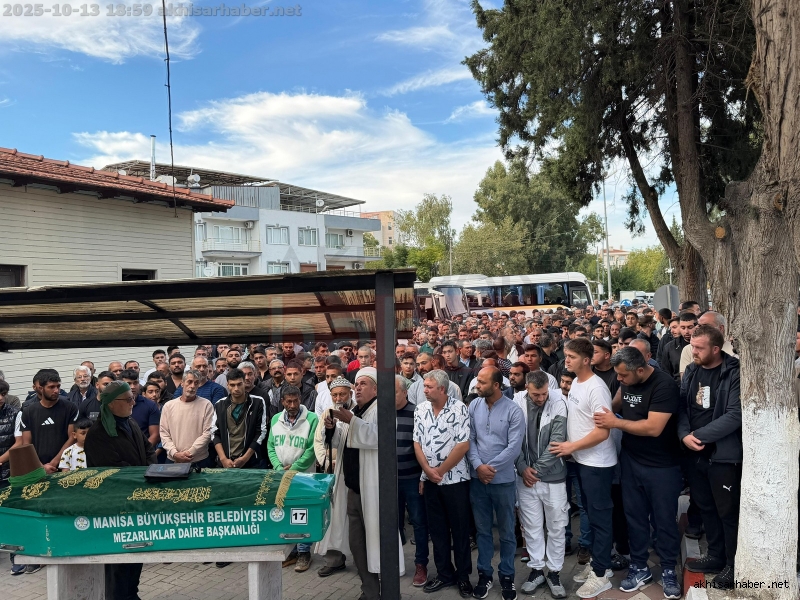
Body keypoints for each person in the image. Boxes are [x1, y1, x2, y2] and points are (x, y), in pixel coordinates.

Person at [594, 347, 683, 599]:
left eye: (623, 375)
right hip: (631, 461)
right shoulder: (626, 381)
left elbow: (654, 427)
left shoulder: (664, 385)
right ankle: (639, 566)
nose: (619, 379)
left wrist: (615, 422)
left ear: (641, 370)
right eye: (617, 374)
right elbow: (615, 403)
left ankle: (668, 569)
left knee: (664, 520)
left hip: (662, 466)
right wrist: (605, 411)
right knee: (634, 518)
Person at [328, 367, 405, 600]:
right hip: (353, 489)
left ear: (376, 389)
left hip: (374, 490)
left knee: (379, 541)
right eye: (356, 384)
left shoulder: (383, 410)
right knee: (357, 543)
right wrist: (331, 429)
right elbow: (340, 442)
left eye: (363, 384)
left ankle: (389, 590)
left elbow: (379, 438)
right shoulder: (354, 411)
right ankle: (369, 591)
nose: (357, 388)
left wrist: (352, 421)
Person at [550, 338, 617, 599]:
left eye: (572, 356)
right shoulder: (577, 382)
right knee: (590, 513)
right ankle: (600, 564)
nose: (566, 360)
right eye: (566, 355)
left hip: (597, 463)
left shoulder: (596, 388)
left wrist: (571, 446)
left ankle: (601, 575)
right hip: (582, 460)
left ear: (586, 360)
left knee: (600, 518)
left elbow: (603, 432)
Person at [678, 325, 742, 590]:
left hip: (723, 455)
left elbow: (735, 414)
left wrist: (699, 435)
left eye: (699, 347)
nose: (693, 351)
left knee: (727, 512)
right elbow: (682, 406)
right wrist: (684, 435)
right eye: (692, 346)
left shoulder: (733, 371)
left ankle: (732, 564)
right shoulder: (692, 370)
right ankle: (715, 556)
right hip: (694, 453)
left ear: (716, 349)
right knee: (706, 507)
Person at [84, 381, 156, 600]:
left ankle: (131, 594)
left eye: (133, 398)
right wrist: (142, 475)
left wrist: (151, 470)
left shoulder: (129, 422)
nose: (133, 402)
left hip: (137, 500)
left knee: (136, 552)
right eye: (128, 399)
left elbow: (148, 449)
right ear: (112, 404)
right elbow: (112, 471)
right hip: (115, 506)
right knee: (118, 559)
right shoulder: (98, 433)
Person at [413, 369, 473, 597]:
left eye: (429, 387)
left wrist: (439, 471)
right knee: (437, 531)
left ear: (442, 389)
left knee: (460, 531)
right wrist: (427, 473)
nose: (425, 390)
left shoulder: (459, 409)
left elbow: (463, 444)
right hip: (430, 481)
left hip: (455, 480)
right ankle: (444, 574)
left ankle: (463, 577)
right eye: (424, 386)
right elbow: (417, 443)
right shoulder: (421, 409)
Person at [468, 365, 524, 600]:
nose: (477, 385)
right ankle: (485, 574)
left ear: (497, 385)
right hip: (477, 480)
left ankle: (507, 576)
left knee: (507, 532)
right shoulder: (474, 406)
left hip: (503, 481)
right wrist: (478, 466)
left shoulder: (513, 411)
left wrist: (489, 468)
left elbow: (514, 448)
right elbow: (470, 439)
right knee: (482, 531)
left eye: (482, 382)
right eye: (477, 381)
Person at [514, 370, 569, 599]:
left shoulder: (558, 401)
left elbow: (557, 442)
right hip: (525, 476)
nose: (541, 398)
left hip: (552, 477)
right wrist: (521, 467)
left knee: (557, 525)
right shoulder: (516, 401)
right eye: (536, 394)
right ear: (527, 388)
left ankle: (554, 572)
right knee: (531, 526)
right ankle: (536, 569)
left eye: (544, 393)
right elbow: (512, 439)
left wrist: (533, 471)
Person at [314, 376, 356, 577]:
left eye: (342, 394)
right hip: (332, 470)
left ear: (350, 393)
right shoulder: (328, 412)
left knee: (355, 516)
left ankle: (363, 561)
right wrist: (326, 461)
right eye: (335, 395)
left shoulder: (358, 410)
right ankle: (334, 560)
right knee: (333, 515)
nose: (338, 398)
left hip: (353, 470)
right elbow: (318, 440)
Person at [394, 375, 430, 587]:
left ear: (405, 392)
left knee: (418, 522)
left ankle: (421, 564)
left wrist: (424, 476)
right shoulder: (381, 413)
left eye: (395, 392)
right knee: (393, 524)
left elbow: (424, 446)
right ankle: (395, 562)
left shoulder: (417, 413)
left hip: (413, 479)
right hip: (389, 481)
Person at [159, 370, 214, 467]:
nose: (192, 386)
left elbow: (208, 433)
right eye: (189, 382)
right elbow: (164, 433)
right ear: (182, 383)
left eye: (196, 383)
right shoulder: (168, 406)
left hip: (199, 460)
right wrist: (174, 453)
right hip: (173, 460)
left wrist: (190, 452)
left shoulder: (206, 405)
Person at [120, 370, 160, 452]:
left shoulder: (150, 405)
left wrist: (141, 452)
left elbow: (155, 435)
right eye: (128, 383)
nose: (133, 387)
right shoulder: (114, 405)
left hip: (143, 451)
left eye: (135, 383)